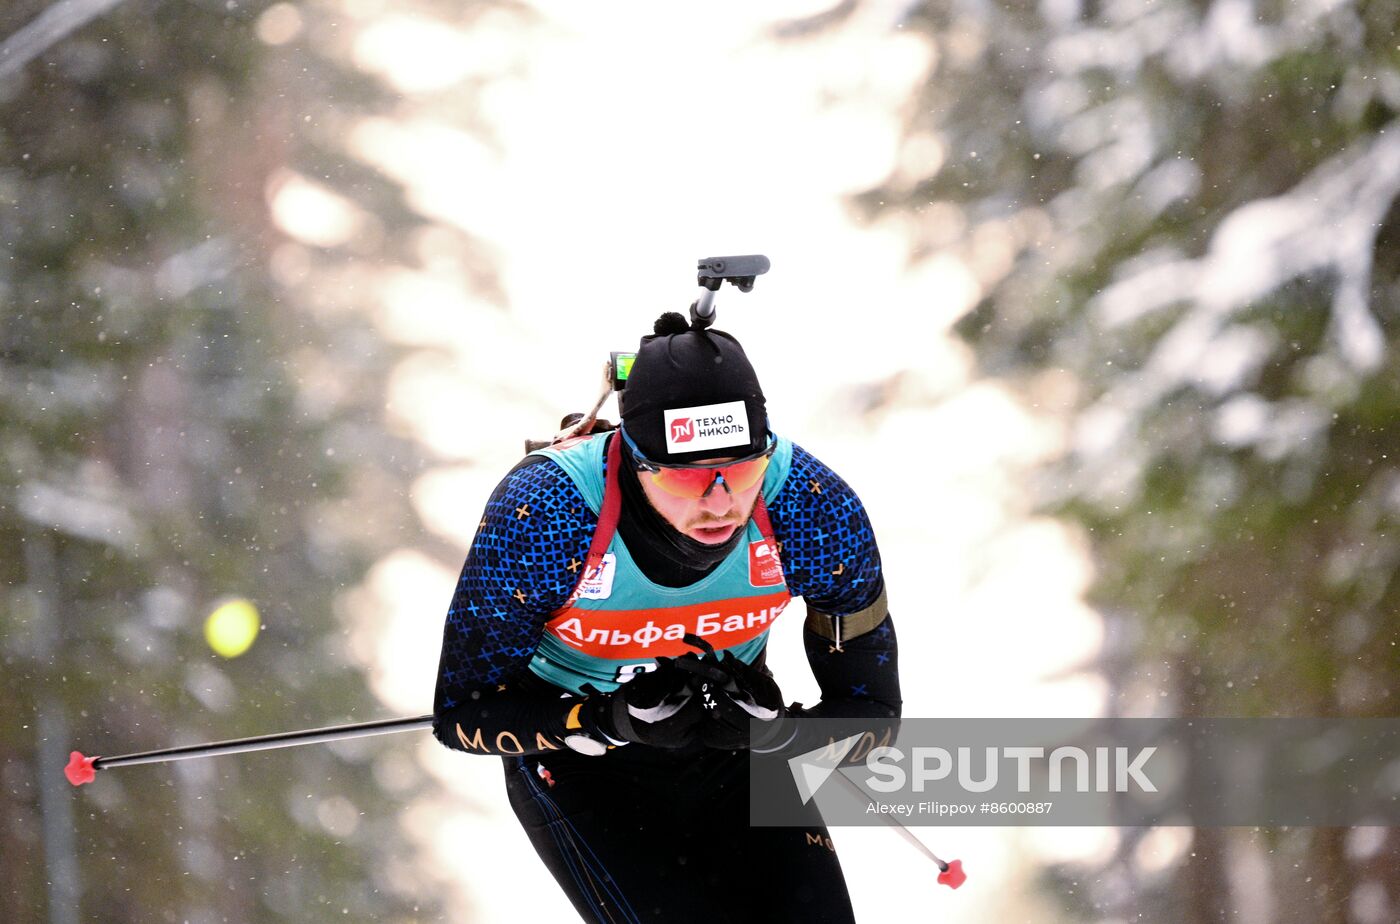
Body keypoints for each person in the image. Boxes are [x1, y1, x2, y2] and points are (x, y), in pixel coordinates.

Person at [432, 310, 901, 923]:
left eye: (741, 471)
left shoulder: (810, 509)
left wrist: (780, 733)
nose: (720, 503)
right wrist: (606, 718)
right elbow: (461, 715)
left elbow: (876, 720)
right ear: (633, 460)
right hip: (584, 766)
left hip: (744, 755)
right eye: (686, 479)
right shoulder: (548, 513)